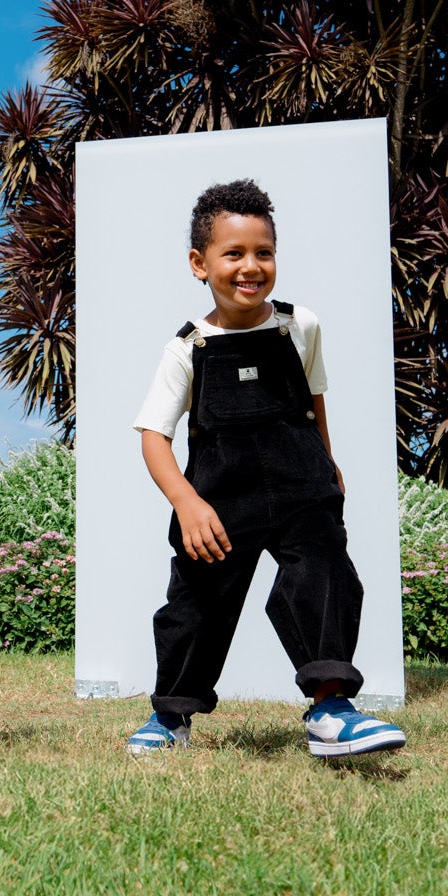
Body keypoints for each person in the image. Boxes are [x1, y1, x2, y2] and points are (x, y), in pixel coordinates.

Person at [128, 179, 406, 760]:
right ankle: (170, 716)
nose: (251, 266)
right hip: (218, 501)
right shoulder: (188, 347)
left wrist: (328, 463)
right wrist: (186, 502)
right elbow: (154, 436)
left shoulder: (299, 325)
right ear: (199, 264)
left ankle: (331, 709)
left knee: (326, 577)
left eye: (264, 252)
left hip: (303, 485)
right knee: (195, 606)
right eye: (234, 253)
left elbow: (313, 399)